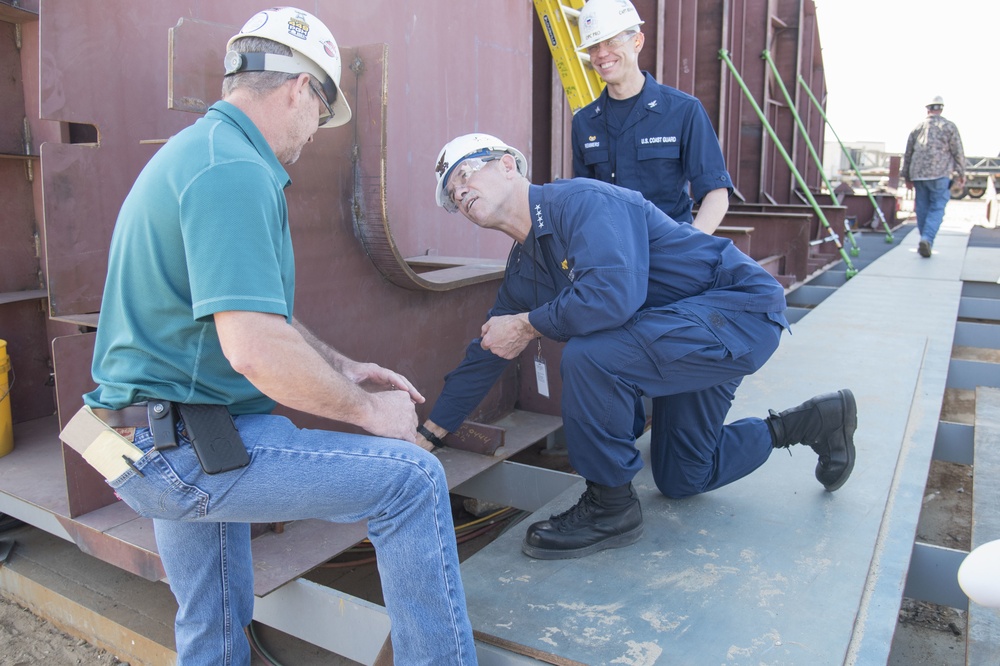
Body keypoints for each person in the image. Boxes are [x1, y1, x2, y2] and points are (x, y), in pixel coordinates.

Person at [74, 8, 476, 665]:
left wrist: (344, 367)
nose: (317, 133)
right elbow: (254, 348)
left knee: (214, 627)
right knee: (414, 481)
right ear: (300, 89)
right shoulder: (233, 170)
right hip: (176, 444)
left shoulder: (201, 152)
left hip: (123, 436)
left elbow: (253, 312)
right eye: (323, 113)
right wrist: (373, 412)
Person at [418, 133, 857, 561]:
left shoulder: (581, 202)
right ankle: (813, 421)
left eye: (467, 173)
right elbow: (489, 349)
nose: (461, 193)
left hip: (736, 311)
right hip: (678, 337)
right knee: (684, 475)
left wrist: (529, 324)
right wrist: (428, 436)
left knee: (592, 357)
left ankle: (611, 507)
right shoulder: (524, 268)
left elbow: (612, 295)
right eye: (452, 195)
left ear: (508, 165)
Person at [570, 0, 733, 234]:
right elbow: (584, 200)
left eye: (611, 41)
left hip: (667, 252)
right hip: (610, 256)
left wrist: (686, 249)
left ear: (637, 41)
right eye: (594, 45)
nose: (602, 53)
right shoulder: (585, 122)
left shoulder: (683, 111)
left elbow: (716, 194)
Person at [902, 95, 966, 258]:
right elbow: (957, 151)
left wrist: (907, 177)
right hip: (940, 174)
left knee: (922, 208)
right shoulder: (949, 127)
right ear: (941, 108)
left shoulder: (917, 128)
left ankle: (925, 239)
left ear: (928, 108)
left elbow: (908, 153)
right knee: (937, 207)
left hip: (918, 175)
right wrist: (961, 173)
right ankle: (927, 238)